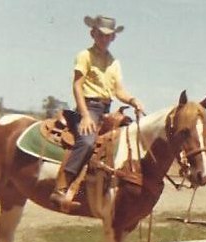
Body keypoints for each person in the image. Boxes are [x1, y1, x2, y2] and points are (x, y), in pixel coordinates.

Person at [50, 15, 144, 210]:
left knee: (127, 140)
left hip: (106, 110)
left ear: (113, 38)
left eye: (108, 36)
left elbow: (119, 91)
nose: (104, 38)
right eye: (100, 34)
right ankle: (60, 188)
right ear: (93, 34)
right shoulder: (85, 55)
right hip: (88, 106)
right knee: (87, 141)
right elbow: (77, 85)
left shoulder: (114, 62)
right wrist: (84, 115)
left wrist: (133, 100)